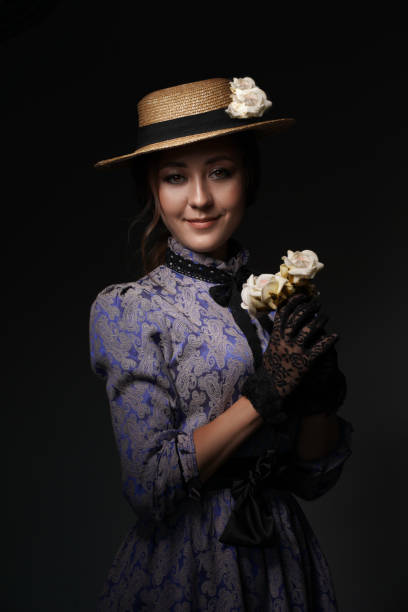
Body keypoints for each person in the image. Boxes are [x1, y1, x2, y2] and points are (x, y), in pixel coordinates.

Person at [89, 76, 353, 611]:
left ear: (247, 180)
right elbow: (149, 485)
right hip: (187, 567)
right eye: (175, 177)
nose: (201, 198)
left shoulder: (276, 299)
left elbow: (309, 479)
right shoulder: (129, 309)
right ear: (152, 191)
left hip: (283, 562)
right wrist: (262, 398)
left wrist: (319, 401)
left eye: (220, 172)